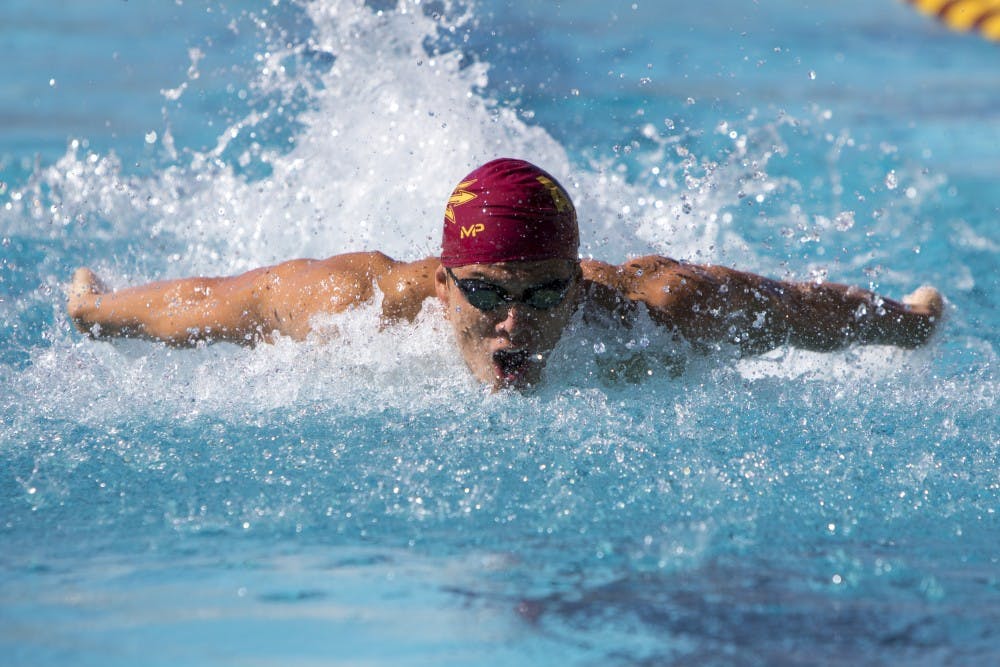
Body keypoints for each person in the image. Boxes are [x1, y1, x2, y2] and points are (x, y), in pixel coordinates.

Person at [67, 158, 944, 390]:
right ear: (444, 282)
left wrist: (907, 322)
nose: (515, 325)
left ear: (576, 278)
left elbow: (796, 310)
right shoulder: (358, 305)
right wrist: (97, 309)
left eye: (544, 293)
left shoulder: (659, 307)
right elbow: (220, 302)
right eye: (487, 292)